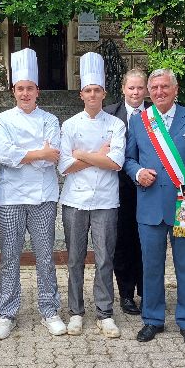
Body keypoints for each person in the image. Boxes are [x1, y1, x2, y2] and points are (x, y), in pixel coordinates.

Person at [124, 68, 185, 348]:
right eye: (154, 88)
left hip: (183, 206)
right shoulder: (139, 121)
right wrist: (138, 172)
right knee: (151, 267)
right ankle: (153, 319)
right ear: (149, 92)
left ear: (175, 90)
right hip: (150, 206)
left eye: (165, 87)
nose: (159, 92)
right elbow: (128, 159)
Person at [0, 48, 66, 340]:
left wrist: (28, 154)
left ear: (37, 91)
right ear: (13, 91)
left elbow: (52, 157)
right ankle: (6, 313)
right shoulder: (1, 120)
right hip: (10, 197)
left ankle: (49, 310)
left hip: (43, 196)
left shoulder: (50, 120)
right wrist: (39, 152)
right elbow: (5, 155)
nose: (25, 93)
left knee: (45, 256)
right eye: (20, 88)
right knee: (10, 256)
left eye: (30, 88)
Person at [59, 53, 126, 338]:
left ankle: (104, 313)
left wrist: (82, 155)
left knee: (104, 258)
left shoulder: (116, 124)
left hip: (106, 200)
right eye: (88, 90)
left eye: (97, 90)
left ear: (104, 93)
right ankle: (76, 312)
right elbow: (64, 166)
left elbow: (116, 162)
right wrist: (99, 155)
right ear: (81, 95)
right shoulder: (69, 125)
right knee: (75, 259)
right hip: (74, 200)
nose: (93, 95)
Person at [103, 68, 149, 315]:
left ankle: (148, 292)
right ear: (123, 89)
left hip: (149, 187)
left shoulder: (155, 114)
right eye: (131, 88)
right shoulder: (109, 114)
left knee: (147, 242)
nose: (135, 92)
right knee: (123, 242)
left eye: (140, 88)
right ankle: (126, 294)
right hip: (118, 188)